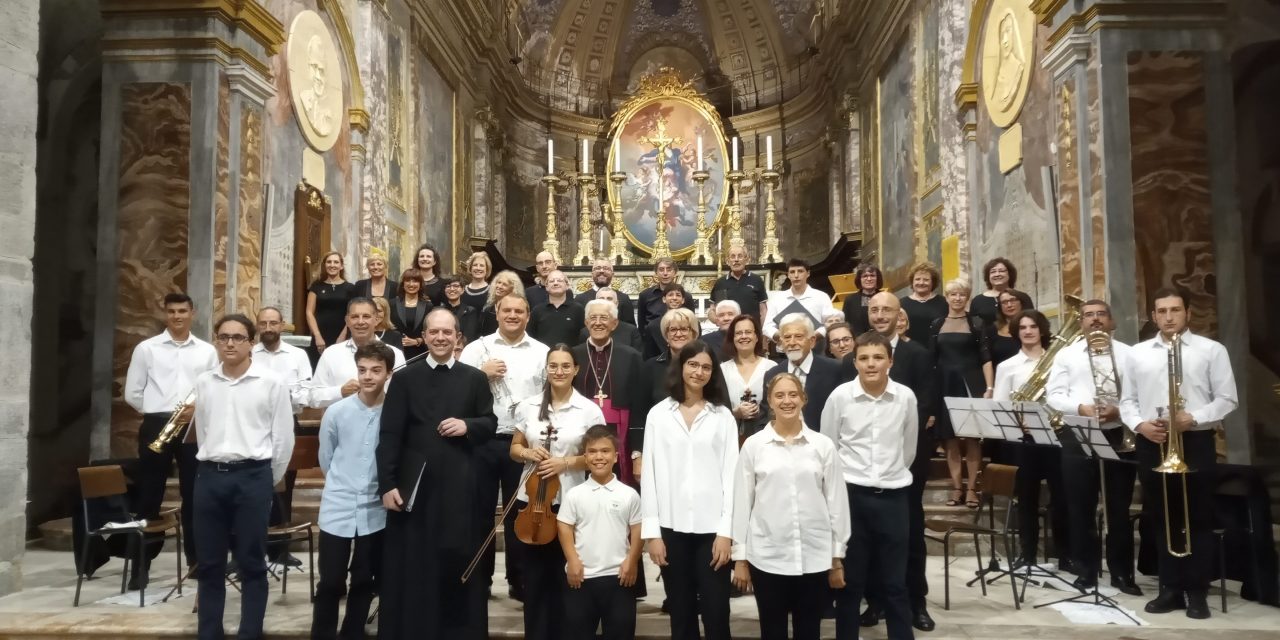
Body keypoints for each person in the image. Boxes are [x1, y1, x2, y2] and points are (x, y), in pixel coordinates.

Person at [377, 308, 497, 639]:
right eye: (434, 333)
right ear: (425, 336)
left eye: (447, 333)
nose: (440, 338)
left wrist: (467, 425)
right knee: (415, 565)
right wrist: (386, 484)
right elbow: (389, 436)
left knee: (456, 560)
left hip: (460, 488)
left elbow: (490, 424)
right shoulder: (403, 379)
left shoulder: (474, 378)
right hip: (415, 490)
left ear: (458, 337)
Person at [1120, 287, 1237, 619]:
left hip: (1195, 442)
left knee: (1197, 516)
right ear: (1153, 315)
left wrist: (1194, 417)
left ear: (1188, 312)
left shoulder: (1212, 350)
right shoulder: (1138, 353)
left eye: (1175, 310)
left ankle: (1196, 590)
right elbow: (1127, 401)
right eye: (1162, 311)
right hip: (1152, 441)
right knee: (1160, 515)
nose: (1168, 317)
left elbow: (1227, 399)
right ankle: (1169, 587)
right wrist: (1140, 425)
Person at [191, 314, 295, 640]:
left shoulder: (271, 382)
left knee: (251, 561)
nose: (230, 343)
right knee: (209, 564)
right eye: (224, 337)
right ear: (216, 341)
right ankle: (209, 633)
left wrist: (265, 478)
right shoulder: (204, 381)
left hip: (252, 476)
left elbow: (283, 439)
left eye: (238, 337)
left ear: (251, 342)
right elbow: (204, 430)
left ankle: (250, 632)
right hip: (209, 477)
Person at [731, 373, 850, 640]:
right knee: (772, 631)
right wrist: (740, 557)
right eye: (780, 395)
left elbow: (837, 504)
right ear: (770, 403)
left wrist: (836, 556)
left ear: (803, 399)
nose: (787, 401)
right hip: (768, 556)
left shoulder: (823, 446)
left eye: (793, 394)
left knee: (809, 631)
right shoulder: (754, 446)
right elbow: (742, 503)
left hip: (814, 556)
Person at [822, 332, 918, 640]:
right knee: (851, 583)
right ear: (855, 362)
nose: (871, 364)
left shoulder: (905, 397)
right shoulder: (840, 397)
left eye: (878, 357)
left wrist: (888, 474)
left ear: (890, 361)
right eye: (863, 358)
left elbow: (909, 449)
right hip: (852, 497)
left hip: (893, 497)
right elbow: (829, 447)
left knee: (895, 583)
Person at [641, 341, 739, 640]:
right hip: (671, 527)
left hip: (713, 530)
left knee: (717, 612)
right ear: (681, 367)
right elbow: (650, 476)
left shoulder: (722, 416)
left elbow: (732, 476)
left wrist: (726, 531)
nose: (699, 372)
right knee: (680, 614)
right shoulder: (658, 415)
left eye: (706, 367)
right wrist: (652, 534)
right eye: (693, 364)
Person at [509, 345, 606, 640]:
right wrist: (528, 452)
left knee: (569, 582)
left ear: (576, 370)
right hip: (533, 506)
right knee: (536, 584)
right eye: (553, 366)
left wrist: (564, 462)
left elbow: (597, 455)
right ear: (547, 369)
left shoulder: (589, 409)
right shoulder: (528, 406)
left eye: (565, 366)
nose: (559, 371)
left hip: (572, 504)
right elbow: (514, 449)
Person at [854, 292, 937, 632]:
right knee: (868, 541)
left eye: (886, 309)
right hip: (864, 468)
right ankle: (875, 602)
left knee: (911, 537)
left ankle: (916, 603)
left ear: (899, 314)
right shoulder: (856, 356)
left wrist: (898, 461)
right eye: (874, 309)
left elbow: (924, 407)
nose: (879, 315)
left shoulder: (917, 354)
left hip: (905, 466)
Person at [123, 292, 218, 586]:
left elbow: (212, 388)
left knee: (194, 495)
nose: (177, 316)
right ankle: (141, 566)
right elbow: (132, 392)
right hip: (158, 423)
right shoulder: (146, 349)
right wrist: (156, 413)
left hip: (191, 425)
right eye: (172, 311)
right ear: (165, 314)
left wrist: (195, 412)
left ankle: (195, 561)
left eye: (182, 311)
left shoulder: (206, 351)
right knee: (149, 495)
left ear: (193, 313)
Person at [459, 293, 549, 601]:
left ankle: (519, 579)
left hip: (520, 443)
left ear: (527, 316)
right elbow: (457, 390)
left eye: (519, 311)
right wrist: (479, 375)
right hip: (481, 440)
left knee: (519, 513)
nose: (512, 315)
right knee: (479, 511)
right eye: (507, 310)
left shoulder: (541, 352)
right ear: (497, 313)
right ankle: (481, 579)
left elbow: (548, 397)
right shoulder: (476, 348)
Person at [1046, 299, 1135, 592]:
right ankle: (1086, 570)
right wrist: (1081, 407)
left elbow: (1142, 393)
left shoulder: (1130, 354)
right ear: (1081, 322)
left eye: (1101, 314)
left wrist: (1119, 410)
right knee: (1080, 506)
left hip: (1118, 434)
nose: (1095, 320)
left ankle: (1123, 574)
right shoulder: (1067, 355)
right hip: (1079, 433)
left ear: (1112, 321)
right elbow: (1054, 396)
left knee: (1118, 509)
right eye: (1088, 315)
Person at [313, 342, 393, 640]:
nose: (368, 376)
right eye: (362, 370)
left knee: (364, 578)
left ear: (388, 373)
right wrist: (343, 483)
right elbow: (327, 457)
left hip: (375, 509)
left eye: (376, 370)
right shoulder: (336, 412)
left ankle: (353, 632)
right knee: (331, 580)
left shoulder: (393, 412)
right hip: (338, 505)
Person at [994, 310, 1071, 577]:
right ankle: (1027, 555)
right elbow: (1001, 406)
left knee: (1061, 498)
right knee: (1026, 499)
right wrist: (1018, 422)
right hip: (1025, 440)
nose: (1028, 331)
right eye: (1023, 327)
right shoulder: (1007, 367)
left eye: (1033, 326)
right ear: (1016, 332)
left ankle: (1066, 556)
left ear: (1042, 330)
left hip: (1057, 436)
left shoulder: (1061, 360)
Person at [557, 425, 643, 640]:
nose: (599, 457)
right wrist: (573, 560)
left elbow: (637, 528)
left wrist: (631, 561)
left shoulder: (629, 494)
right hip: (582, 578)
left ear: (615, 456)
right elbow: (564, 526)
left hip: (619, 578)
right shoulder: (575, 494)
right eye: (593, 451)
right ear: (585, 457)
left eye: (605, 451)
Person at [251, 306, 313, 567]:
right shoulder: (250, 354)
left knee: (284, 485)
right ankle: (252, 549)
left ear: (282, 325)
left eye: (273, 323)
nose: (268, 328)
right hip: (254, 424)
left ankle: (279, 549)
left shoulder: (297, 355)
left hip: (288, 421)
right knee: (253, 486)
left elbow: (307, 391)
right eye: (263, 323)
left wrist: (285, 397)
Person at [929, 278, 993, 509]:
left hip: (971, 384)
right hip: (945, 384)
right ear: (946, 297)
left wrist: (989, 388)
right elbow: (932, 359)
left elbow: (985, 357)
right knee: (951, 440)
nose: (957, 298)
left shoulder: (976, 323)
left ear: (967, 298)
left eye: (962, 294)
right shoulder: (936, 324)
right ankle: (957, 487)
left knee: (973, 438)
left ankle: (972, 488)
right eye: (953, 294)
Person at [573, 299, 646, 485]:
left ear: (614, 323)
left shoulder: (631, 356)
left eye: (604, 318)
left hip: (622, 433)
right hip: (581, 430)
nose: (598, 322)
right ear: (586, 322)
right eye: (593, 317)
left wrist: (637, 451)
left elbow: (639, 404)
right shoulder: (573, 355)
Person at [310, 298, 406, 408]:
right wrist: (340, 392)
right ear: (347, 321)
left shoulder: (395, 354)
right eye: (355, 317)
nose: (360, 322)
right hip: (342, 423)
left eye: (366, 316)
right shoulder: (331, 354)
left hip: (384, 422)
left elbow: (404, 396)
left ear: (376, 319)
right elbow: (313, 398)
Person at [762, 314, 846, 429]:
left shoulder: (835, 370)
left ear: (812, 341)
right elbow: (765, 418)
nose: (792, 342)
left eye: (798, 336)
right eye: (787, 337)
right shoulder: (772, 374)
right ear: (781, 343)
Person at [763, 259, 841, 346]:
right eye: (792, 272)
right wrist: (782, 336)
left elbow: (829, 323)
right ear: (788, 275)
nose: (796, 275)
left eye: (800, 271)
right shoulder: (777, 299)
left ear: (808, 273)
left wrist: (812, 337)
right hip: (785, 349)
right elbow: (767, 327)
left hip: (815, 347)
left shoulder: (821, 297)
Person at [722, 314, 770, 439]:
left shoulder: (771, 367)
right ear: (733, 338)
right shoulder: (723, 370)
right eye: (738, 333)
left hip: (765, 434)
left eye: (748, 332)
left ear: (756, 337)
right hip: (731, 435)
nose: (743, 336)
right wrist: (735, 413)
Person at [306, 251, 357, 364]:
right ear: (325, 265)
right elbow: (309, 312)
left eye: (336, 262)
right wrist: (317, 336)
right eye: (329, 262)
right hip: (320, 335)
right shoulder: (316, 286)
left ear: (341, 266)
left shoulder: (350, 288)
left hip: (343, 334)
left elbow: (352, 314)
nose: (332, 265)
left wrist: (343, 336)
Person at [637, 257, 695, 347]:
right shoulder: (645, 295)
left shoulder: (686, 296)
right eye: (661, 270)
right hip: (654, 343)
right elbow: (641, 325)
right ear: (656, 273)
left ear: (675, 272)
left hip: (681, 341)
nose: (665, 273)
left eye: (669, 270)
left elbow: (692, 322)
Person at [529, 270, 586, 348]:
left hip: (570, 358)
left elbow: (584, 337)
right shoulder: (537, 310)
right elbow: (531, 338)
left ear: (567, 285)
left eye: (559, 280)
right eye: (551, 281)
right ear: (546, 287)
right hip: (544, 358)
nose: (555, 283)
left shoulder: (578, 309)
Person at [710, 245, 768, 322]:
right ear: (728, 261)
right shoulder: (721, 283)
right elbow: (713, 309)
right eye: (733, 257)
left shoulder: (756, 280)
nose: (736, 260)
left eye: (740, 256)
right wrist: (718, 322)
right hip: (728, 331)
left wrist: (761, 331)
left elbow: (763, 311)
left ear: (746, 260)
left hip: (751, 330)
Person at [969, 257, 1032, 326]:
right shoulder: (978, 300)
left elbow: (1031, 321)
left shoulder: (1023, 297)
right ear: (988, 276)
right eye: (993, 272)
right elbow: (974, 327)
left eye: (1001, 271)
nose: (997, 274)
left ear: (1010, 274)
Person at [577, 288, 643, 352]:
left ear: (617, 303)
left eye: (609, 299)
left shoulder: (631, 331)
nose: (605, 301)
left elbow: (636, 358)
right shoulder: (585, 332)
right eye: (601, 299)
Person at [575, 258, 637, 326]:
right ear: (592, 274)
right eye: (598, 268)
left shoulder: (624, 298)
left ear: (613, 274)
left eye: (606, 268)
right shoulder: (580, 299)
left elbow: (630, 327)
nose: (601, 271)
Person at [389, 268, 432, 359]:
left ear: (420, 285)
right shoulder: (391, 304)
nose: (411, 284)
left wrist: (418, 341)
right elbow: (387, 328)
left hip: (420, 353)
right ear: (403, 284)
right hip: (395, 352)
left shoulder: (428, 306)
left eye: (415, 281)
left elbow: (432, 330)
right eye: (408, 281)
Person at [899, 262, 947, 344]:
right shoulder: (901, 303)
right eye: (917, 279)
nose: (921, 283)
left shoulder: (944, 302)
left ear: (933, 282)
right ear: (912, 282)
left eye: (926, 280)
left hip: (937, 352)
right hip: (909, 350)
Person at [644, 283, 691, 359]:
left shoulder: (692, 323)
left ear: (683, 300)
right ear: (664, 299)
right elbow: (649, 355)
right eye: (670, 295)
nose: (674, 298)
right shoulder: (653, 326)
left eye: (678, 295)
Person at [988, 288, 1029, 368]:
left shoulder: (1032, 326)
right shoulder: (992, 330)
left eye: (1013, 300)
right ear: (1000, 307)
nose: (1009, 305)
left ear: (1020, 302)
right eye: (1004, 302)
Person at [840, 264, 883, 336]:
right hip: (858, 342)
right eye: (865, 276)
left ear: (877, 278)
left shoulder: (886, 297)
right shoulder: (850, 300)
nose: (869, 279)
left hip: (881, 340)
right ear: (859, 279)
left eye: (872, 275)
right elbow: (845, 325)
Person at [481, 269, 523, 336]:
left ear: (512, 289)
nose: (499, 287)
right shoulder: (487, 308)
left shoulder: (516, 310)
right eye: (499, 282)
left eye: (504, 284)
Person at [441, 275, 482, 343]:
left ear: (462, 290)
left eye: (456, 286)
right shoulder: (438, 311)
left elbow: (469, 336)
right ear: (445, 290)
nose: (452, 289)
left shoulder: (470, 311)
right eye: (448, 286)